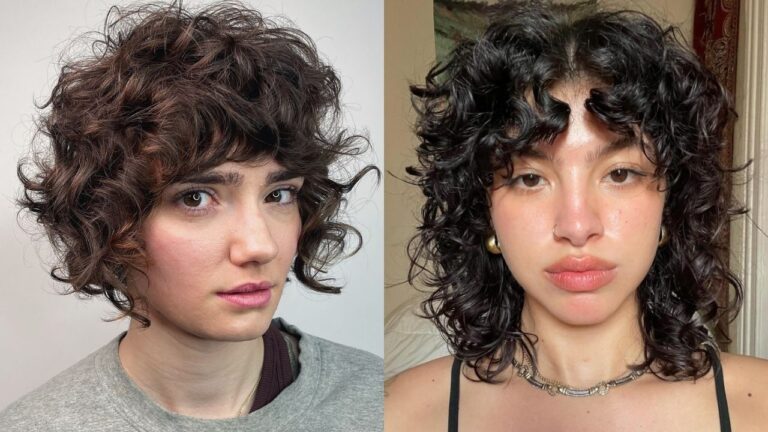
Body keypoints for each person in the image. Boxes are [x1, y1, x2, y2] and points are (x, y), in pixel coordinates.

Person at [385, 1, 768, 431]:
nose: (578, 226)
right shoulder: (400, 413)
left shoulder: (758, 406)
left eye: (620, 173)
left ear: (671, 197)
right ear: (484, 208)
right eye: (529, 179)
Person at [0, 2, 382, 430]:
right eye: (197, 198)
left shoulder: (378, 402)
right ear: (110, 219)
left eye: (278, 195)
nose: (260, 246)